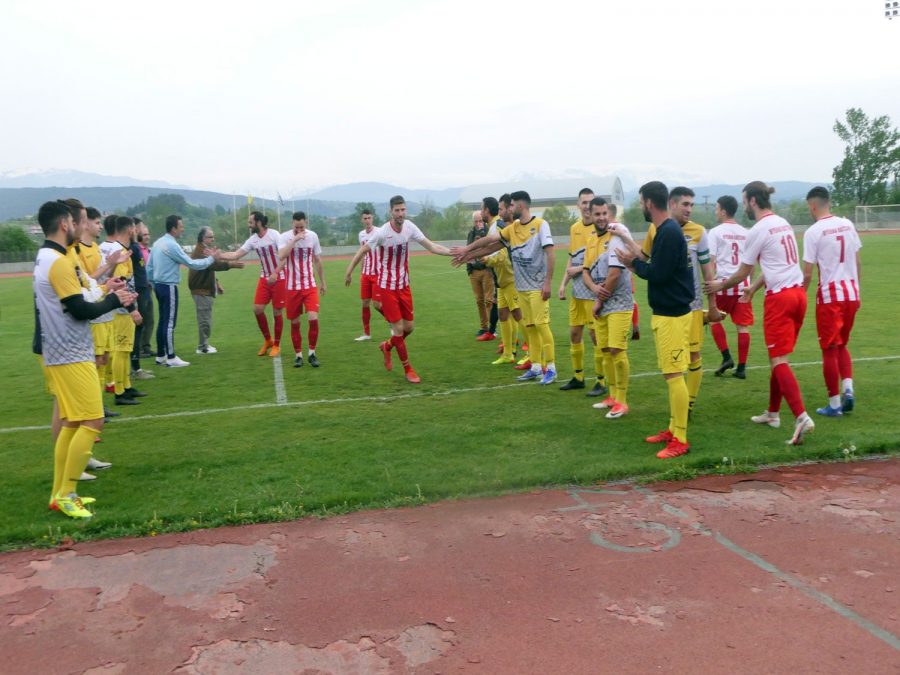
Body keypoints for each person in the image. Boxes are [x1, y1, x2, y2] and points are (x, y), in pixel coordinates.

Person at [33, 200, 134, 518]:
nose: (82, 226)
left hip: (61, 351)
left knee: (73, 422)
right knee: (93, 419)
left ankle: (58, 493)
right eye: (76, 222)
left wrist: (104, 288)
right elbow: (79, 310)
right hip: (70, 353)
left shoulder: (48, 257)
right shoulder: (59, 262)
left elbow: (76, 298)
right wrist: (114, 299)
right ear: (65, 224)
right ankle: (67, 493)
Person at [705, 181, 815, 445]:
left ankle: (801, 416)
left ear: (753, 201)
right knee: (777, 357)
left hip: (781, 298)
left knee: (779, 361)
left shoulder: (758, 229)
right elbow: (775, 264)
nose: (743, 205)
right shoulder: (783, 222)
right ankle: (773, 413)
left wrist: (720, 284)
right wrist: (753, 289)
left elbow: (743, 271)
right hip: (798, 294)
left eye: (745, 200)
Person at [611, 181, 694, 459]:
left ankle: (680, 438)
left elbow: (657, 273)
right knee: (671, 374)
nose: (641, 206)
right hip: (666, 313)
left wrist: (632, 265)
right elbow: (655, 267)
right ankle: (673, 428)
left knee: (674, 375)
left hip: (673, 315)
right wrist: (633, 260)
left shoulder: (668, 232)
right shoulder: (664, 231)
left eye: (641, 202)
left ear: (648, 202)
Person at [345, 195, 453, 383]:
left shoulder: (410, 227)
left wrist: (455, 253)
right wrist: (349, 271)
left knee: (409, 328)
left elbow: (431, 246)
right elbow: (363, 251)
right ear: (390, 212)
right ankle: (408, 369)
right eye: (397, 210)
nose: (401, 213)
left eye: (403, 209)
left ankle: (387, 346)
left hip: (404, 286)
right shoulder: (381, 233)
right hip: (387, 287)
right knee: (398, 328)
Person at [452, 191, 557, 385]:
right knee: (531, 327)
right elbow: (491, 243)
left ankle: (550, 368)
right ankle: (535, 366)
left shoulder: (541, 225)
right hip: (522, 286)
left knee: (542, 325)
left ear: (521, 206)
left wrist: (548, 282)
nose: (508, 210)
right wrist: (467, 252)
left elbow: (551, 254)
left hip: (538, 285)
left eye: (511, 206)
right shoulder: (513, 227)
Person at [642, 187, 721, 416]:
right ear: (672, 204)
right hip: (669, 306)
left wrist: (712, 305)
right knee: (675, 364)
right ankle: (681, 408)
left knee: (693, 355)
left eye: (691, 205)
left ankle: (689, 404)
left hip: (692, 305)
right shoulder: (655, 229)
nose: (688, 209)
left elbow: (708, 272)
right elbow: (644, 257)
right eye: (685, 204)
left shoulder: (699, 231)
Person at [801, 186, 862, 416]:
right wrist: (859, 291)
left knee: (829, 348)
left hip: (830, 297)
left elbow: (807, 273)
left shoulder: (813, 232)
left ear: (813, 205)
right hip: (851, 293)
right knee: (842, 345)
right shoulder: (848, 224)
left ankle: (834, 404)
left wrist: (801, 296)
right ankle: (848, 390)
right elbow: (857, 261)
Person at [582, 197, 633, 419]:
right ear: (590, 215)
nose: (601, 218)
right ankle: (612, 396)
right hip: (601, 302)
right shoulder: (592, 239)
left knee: (617, 351)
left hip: (618, 303)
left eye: (605, 213)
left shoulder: (617, 236)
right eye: (597, 214)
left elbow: (615, 273)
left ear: (609, 215)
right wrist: (593, 287)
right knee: (604, 352)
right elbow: (584, 270)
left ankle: (622, 401)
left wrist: (599, 299)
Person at [146, 214, 219, 367]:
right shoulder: (172, 245)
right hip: (169, 286)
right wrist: (212, 258)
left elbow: (149, 269)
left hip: (159, 286)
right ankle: (171, 358)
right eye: (181, 226)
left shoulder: (158, 243)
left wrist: (154, 284)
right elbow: (191, 263)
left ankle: (161, 356)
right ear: (173, 229)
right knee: (170, 323)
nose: (183, 229)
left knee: (163, 322)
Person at [558, 188, 606, 394]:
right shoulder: (575, 228)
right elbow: (572, 257)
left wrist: (579, 269)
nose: (587, 206)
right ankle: (578, 376)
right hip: (577, 292)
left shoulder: (601, 230)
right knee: (575, 333)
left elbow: (601, 260)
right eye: (584, 202)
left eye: (590, 202)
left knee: (596, 336)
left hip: (592, 290)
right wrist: (563, 283)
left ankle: (602, 381)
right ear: (578, 205)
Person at [219, 211, 287, 356]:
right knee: (257, 309)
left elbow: (284, 256)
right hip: (264, 279)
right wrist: (219, 256)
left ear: (259, 223)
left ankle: (277, 344)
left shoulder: (274, 235)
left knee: (277, 312)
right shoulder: (253, 240)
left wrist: (275, 273)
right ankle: (268, 340)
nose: (248, 225)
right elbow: (236, 254)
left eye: (250, 222)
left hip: (279, 277)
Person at [708, 195, 754, 379]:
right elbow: (751, 264)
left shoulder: (715, 232)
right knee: (742, 327)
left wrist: (712, 285)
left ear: (724, 211)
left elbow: (710, 262)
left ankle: (726, 357)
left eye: (717, 208)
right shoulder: (746, 232)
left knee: (714, 320)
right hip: (743, 285)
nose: (715, 211)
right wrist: (749, 284)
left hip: (723, 285)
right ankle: (742, 368)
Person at [105, 216, 146, 405]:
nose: (138, 230)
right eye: (136, 228)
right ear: (130, 230)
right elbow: (120, 284)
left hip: (122, 307)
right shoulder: (120, 252)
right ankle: (119, 392)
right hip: (122, 309)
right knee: (121, 350)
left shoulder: (120, 250)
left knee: (125, 349)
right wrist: (131, 309)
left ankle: (126, 386)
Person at [278, 212, 326, 368]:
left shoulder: (313, 236)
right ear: (292, 223)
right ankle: (298, 355)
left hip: (309, 285)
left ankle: (312, 353)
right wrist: (295, 240)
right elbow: (281, 255)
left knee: (313, 318)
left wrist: (322, 282)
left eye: (302, 227)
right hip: (292, 287)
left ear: (306, 223)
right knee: (295, 322)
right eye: (297, 227)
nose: (299, 229)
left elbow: (318, 260)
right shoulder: (285, 237)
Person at [189, 227, 245, 354]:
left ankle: (204, 345)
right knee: (204, 319)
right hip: (201, 290)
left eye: (213, 236)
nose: (213, 239)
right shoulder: (201, 251)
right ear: (203, 238)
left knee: (206, 317)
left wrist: (217, 283)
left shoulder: (203, 249)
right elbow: (214, 265)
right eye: (210, 237)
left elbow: (209, 269)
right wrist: (230, 265)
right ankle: (202, 347)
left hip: (203, 288)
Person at [482, 196, 523, 365]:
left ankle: (531, 353)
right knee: (503, 315)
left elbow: (502, 254)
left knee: (518, 315)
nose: (498, 213)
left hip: (510, 278)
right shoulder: (496, 226)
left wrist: (486, 259)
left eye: (501, 209)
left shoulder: (498, 227)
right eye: (497, 210)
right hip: (501, 279)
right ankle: (508, 353)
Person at [609, 204, 641, 341]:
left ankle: (624, 328)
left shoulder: (613, 228)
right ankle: (634, 326)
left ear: (609, 214)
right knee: (630, 299)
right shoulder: (624, 228)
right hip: (627, 268)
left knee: (616, 298)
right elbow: (631, 247)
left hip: (617, 269)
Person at [129, 217, 154, 380]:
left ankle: (135, 367)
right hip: (137, 293)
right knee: (135, 330)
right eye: (139, 228)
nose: (140, 231)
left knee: (140, 328)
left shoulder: (135, 248)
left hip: (142, 290)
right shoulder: (131, 249)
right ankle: (135, 369)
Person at [466, 209, 496, 340]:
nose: (478, 223)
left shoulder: (489, 231)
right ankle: (483, 327)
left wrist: (482, 236)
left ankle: (492, 329)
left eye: (480, 220)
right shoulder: (471, 233)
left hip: (487, 270)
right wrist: (469, 269)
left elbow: (491, 247)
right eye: (476, 221)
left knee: (489, 300)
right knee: (479, 301)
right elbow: (468, 249)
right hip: (474, 271)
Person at [354, 208, 381, 341]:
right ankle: (366, 333)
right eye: (365, 218)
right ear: (362, 220)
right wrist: (361, 272)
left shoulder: (380, 232)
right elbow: (362, 253)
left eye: (369, 218)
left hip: (378, 274)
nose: (367, 220)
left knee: (377, 304)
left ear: (373, 218)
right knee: (365, 303)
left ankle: (392, 323)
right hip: (366, 273)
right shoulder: (361, 235)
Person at [135, 222, 155, 357]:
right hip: (140, 289)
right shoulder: (137, 250)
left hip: (149, 288)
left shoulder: (149, 251)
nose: (147, 237)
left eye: (148, 234)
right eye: (144, 234)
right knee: (141, 318)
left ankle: (146, 346)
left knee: (150, 318)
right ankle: (140, 348)